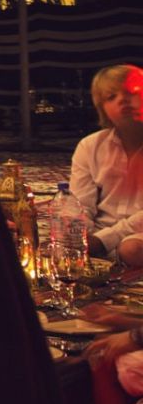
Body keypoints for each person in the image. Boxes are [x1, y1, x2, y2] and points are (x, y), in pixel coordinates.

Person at [75, 65, 143, 259]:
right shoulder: (90, 146)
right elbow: (80, 203)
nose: (123, 100)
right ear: (103, 110)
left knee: (131, 250)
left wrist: (104, 240)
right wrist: (81, 235)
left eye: (131, 92)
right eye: (111, 97)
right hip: (102, 230)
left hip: (134, 235)